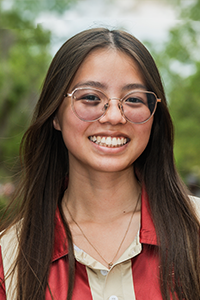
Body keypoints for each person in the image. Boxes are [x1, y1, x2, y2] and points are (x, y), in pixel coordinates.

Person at [0, 27, 199, 300]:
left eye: (134, 99)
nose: (115, 116)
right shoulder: (9, 255)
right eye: (91, 97)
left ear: (155, 117)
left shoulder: (195, 227)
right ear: (55, 115)